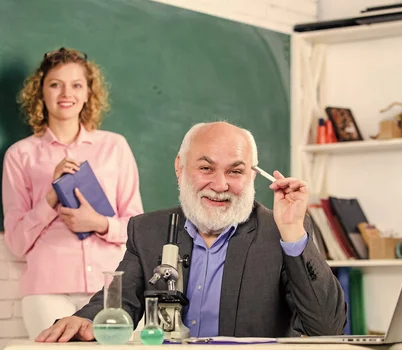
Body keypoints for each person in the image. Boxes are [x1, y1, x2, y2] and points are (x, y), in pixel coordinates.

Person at [35, 121, 347, 342]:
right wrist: (86, 320)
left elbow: (327, 328)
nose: (220, 185)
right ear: (180, 168)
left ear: (252, 175)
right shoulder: (148, 230)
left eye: (235, 171)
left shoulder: (280, 230)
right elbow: (118, 303)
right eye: (206, 168)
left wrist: (292, 232)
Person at [1, 47, 144, 339]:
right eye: (55, 84)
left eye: (76, 84)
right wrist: (51, 197)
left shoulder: (115, 147)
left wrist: (99, 223)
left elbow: (136, 226)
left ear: (89, 92)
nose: (66, 93)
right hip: (47, 290)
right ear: (40, 91)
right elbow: (16, 242)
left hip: (112, 288)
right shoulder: (20, 155)